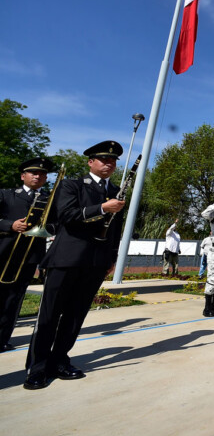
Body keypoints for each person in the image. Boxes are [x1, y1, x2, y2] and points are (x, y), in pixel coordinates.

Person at [24, 141, 126, 390]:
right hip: (67, 259)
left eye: (112, 161)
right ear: (90, 162)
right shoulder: (72, 184)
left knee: (74, 316)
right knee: (49, 315)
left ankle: (59, 360)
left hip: (95, 262)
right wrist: (102, 208)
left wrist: (111, 258)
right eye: (103, 159)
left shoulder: (116, 191)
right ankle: (36, 368)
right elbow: (67, 216)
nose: (109, 163)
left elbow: (116, 231)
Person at [0, 157, 56, 353]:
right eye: (33, 173)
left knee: (14, 299)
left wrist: (45, 227)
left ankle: (2, 338)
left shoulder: (49, 199)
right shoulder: (7, 194)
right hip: (4, 253)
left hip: (29, 256)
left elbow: (56, 224)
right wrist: (10, 225)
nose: (37, 176)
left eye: (41, 174)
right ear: (23, 176)